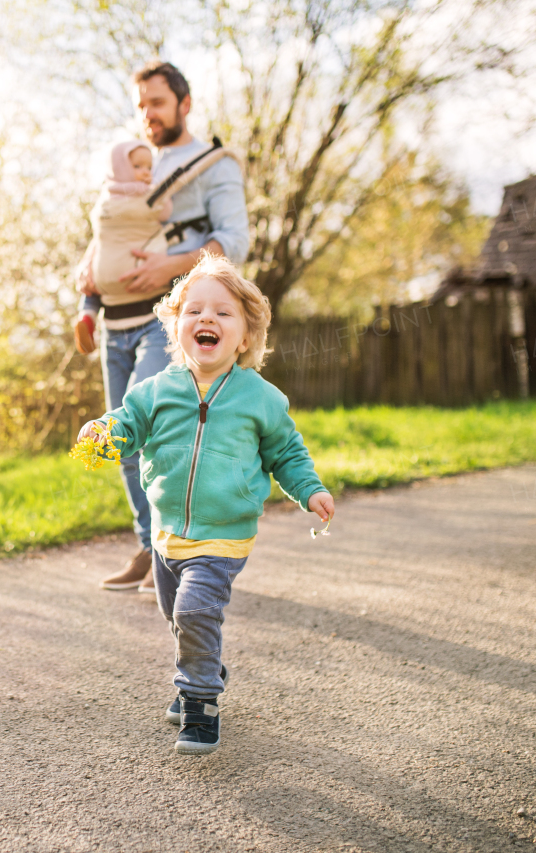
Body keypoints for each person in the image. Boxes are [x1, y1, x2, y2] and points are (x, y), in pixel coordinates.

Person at [76, 254, 335, 755]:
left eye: (223, 312)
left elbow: (286, 452)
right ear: (177, 328)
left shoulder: (259, 398)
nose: (207, 319)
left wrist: (311, 490)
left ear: (245, 335)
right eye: (194, 311)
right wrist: (102, 436)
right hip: (167, 535)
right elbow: (126, 426)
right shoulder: (155, 391)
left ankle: (199, 702)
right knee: (177, 614)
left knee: (196, 611)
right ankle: (206, 664)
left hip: (224, 535)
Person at [84, 61, 251, 595]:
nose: (147, 115)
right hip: (117, 319)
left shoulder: (213, 166)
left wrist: (168, 266)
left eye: (156, 103)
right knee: (121, 434)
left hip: (171, 318)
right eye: (141, 105)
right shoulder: (133, 166)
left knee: (139, 414)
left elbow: (234, 241)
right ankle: (150, 542)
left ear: (184, 103)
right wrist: (86, 281)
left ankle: (179, 548)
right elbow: (106, 234)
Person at [72, 141, 173, 355]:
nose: (145, 172)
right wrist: (159, 189)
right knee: (94, 279)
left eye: (148, 167)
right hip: (131, 280)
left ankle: (86, 316)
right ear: (120, 167)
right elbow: (165, 213)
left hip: (104, 276)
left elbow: (100, 236)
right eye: (137, 167)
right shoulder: (146, 193)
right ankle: (87, 318)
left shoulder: (105, 196)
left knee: (91, 284)